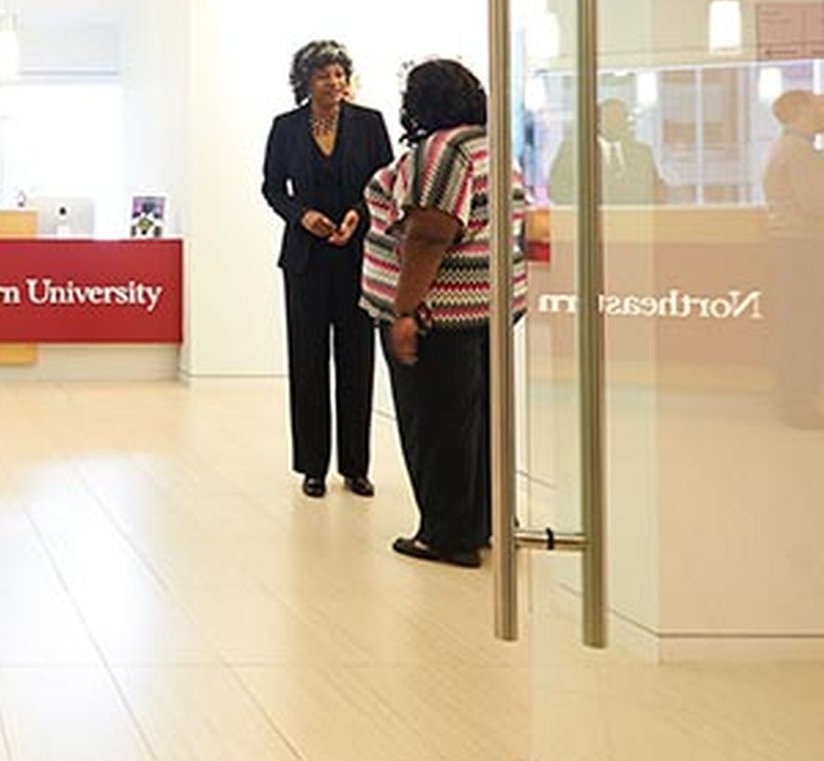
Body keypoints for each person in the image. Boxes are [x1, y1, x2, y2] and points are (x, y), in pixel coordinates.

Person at [360, 58, 526, 568]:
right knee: (476, 421)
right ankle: (481, 521)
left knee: (436, 424)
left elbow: (431, 233)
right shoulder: (487, 143)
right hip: (488, 306)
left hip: (442, 313)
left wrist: (404, 311)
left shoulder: (442, 151)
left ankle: (447, 535)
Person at [260, 40, 393, 499]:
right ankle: (312, 466)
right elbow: (272, 188)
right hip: (305, 259)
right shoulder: (285, 127)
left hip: (357, 256)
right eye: (323, 76)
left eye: (339, 74)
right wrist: (302, 216)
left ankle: (356, 466)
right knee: (307, 359)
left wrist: (357, 214)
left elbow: (383, 184)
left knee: (357, 360)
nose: (334, 83)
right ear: (305, 81)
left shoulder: (370, 123)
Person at [763, 90, 824, 428]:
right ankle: (797, 404)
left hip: (793, 247)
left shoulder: (791, 147)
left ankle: (791, 399)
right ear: (801, 109)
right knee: (804, 325)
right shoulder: (797, 150)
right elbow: (815, 203)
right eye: (818, 103)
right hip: (802, 247)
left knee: (798, 324)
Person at [547, 98, 662, 204]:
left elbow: (655, 190)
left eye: (622, 118)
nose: (618, 123)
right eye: (612, 118)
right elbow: (556, 189)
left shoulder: (642, 153)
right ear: (597, 122)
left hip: (636, 218)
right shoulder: (573, 151)